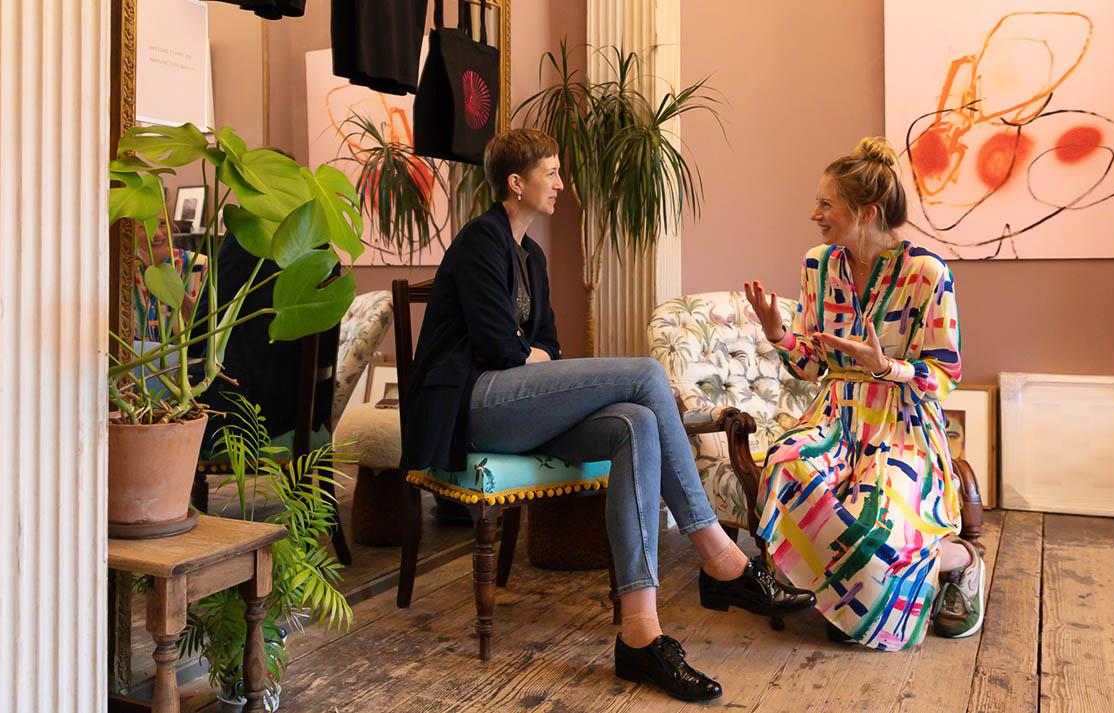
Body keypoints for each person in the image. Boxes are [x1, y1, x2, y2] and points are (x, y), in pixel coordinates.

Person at [402, 128, 813, 702]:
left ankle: (640, 637)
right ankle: (721, 558)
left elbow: (547, 345)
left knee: (636, 423)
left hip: (519, 399)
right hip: (475, 405)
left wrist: (533, 353)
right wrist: (532, 354)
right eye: (551, 172)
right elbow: (501, 350)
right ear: (516, 183)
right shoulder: (479, 241)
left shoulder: (532, 256)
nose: (562, 183)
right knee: (645, 377)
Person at [743, 137, 983, 651]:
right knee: (787, 464)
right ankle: (870, 586)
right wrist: (777, 334)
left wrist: (888, 367)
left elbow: (945, 375)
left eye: (826, 204)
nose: (815, 214)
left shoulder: (927, 274)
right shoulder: (819, 266)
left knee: (877, 523)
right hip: (834, 417)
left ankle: (960, 561)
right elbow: (810, 364)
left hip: (903, 428)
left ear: (866, 212)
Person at [133, 215, 206, 343]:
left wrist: (173, 289)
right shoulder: (124, 272)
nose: (156, 234)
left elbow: (207, 326)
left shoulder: (198, 266)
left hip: (187, 361)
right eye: (144, 227)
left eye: (162, 224)